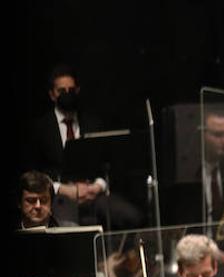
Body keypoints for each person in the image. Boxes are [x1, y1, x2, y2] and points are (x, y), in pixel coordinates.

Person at [26, 64, 140, 229]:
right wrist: (62, 189)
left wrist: (97, 186)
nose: (67, 94)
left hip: (93, 194)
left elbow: (109, 162)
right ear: (52, 95)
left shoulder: (93, 123)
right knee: (66, 228)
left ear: (78, 90)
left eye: (71, 90)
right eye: (61, 91)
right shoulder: (40, 129)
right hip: (58, 196)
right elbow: (34, 171)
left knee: (131, 216)